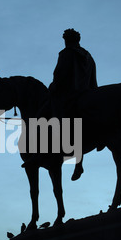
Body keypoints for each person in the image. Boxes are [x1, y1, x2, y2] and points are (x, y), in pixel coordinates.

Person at [49, 29, 98, 180]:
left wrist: (53, 87)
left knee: (51, 117)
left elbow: (59, 75)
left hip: (69, 95)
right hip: (86, 94)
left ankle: (55, 150)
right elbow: (93, 80)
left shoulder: (66, 54)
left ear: (67, 40)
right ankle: (78, 162)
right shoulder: (89, 56)